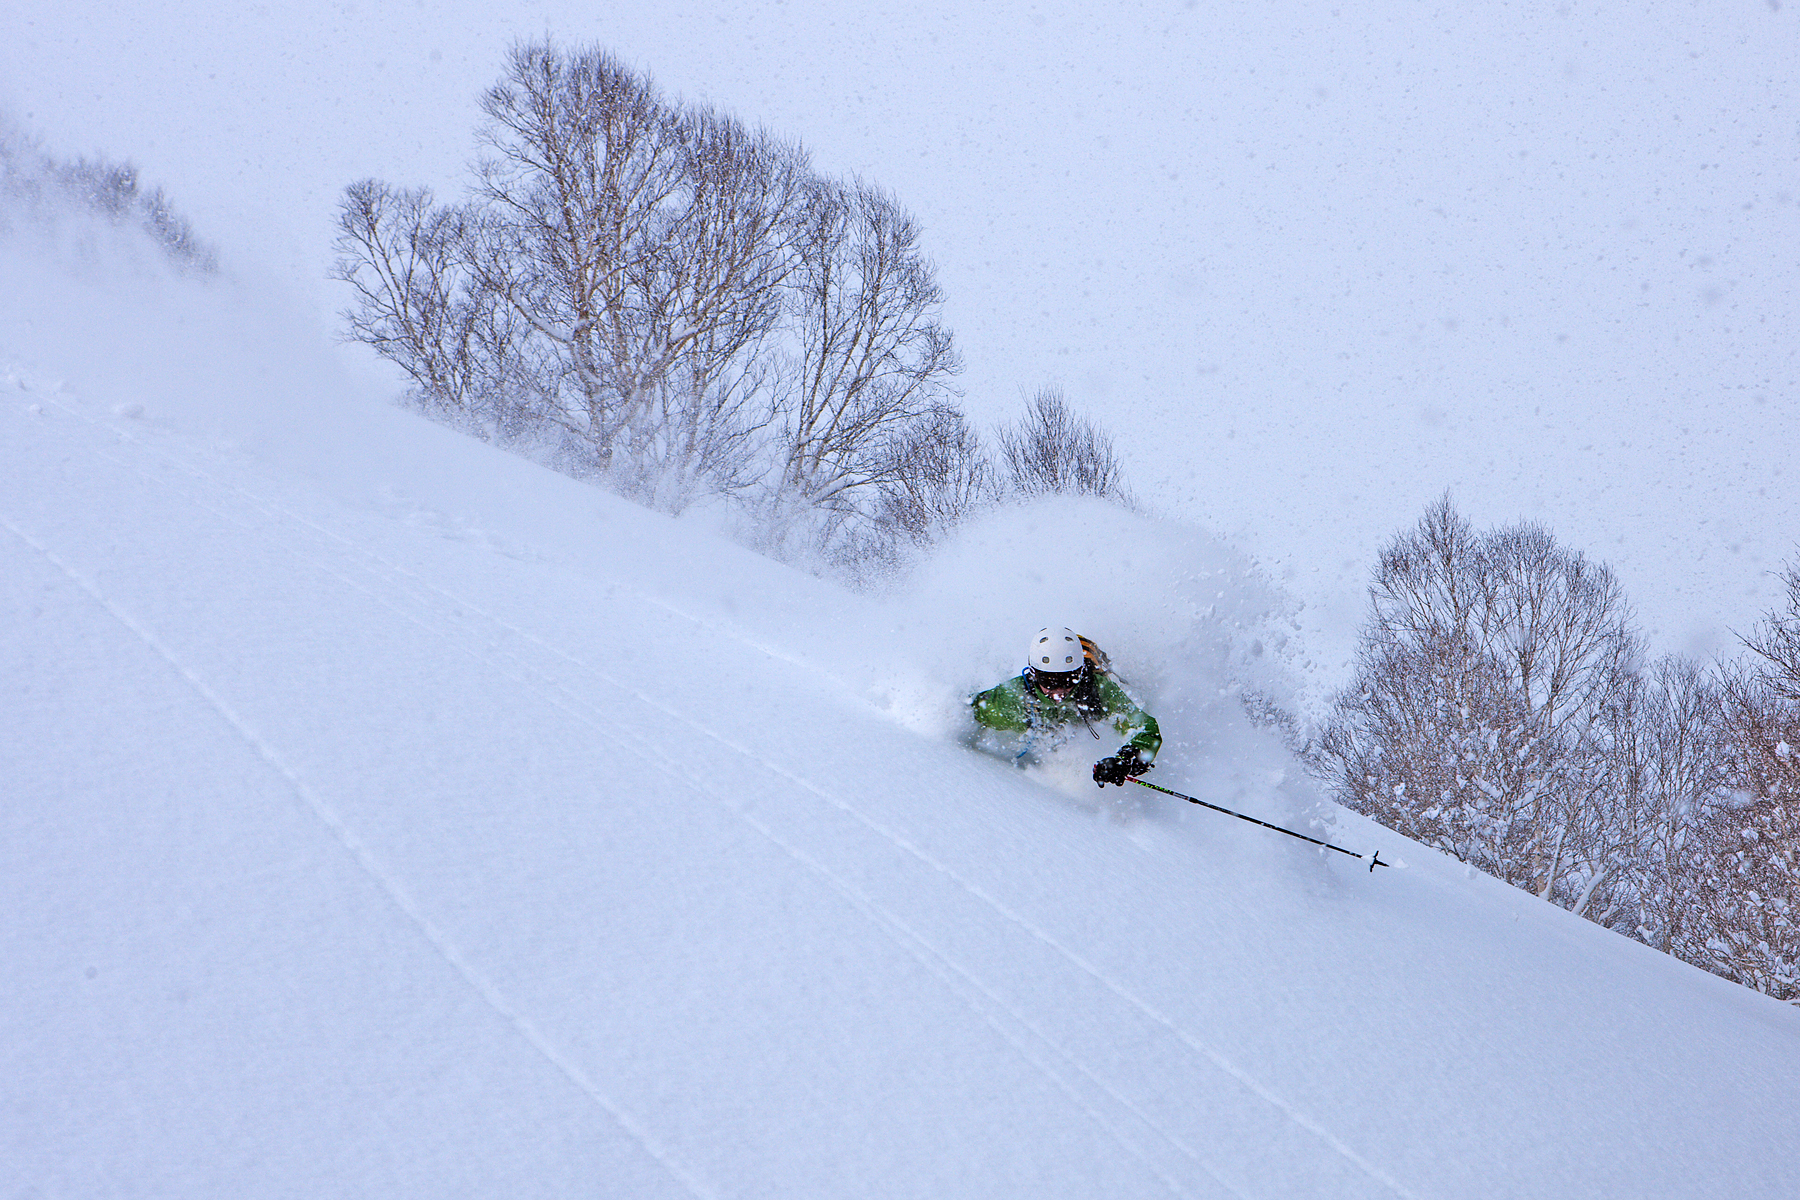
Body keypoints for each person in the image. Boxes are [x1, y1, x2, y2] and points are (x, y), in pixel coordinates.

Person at [971, 626, 1161, 787]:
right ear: (1034, 674)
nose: (1058, 692)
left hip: (1092, 667)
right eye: (1049, 681)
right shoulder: (1013, 698)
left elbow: (1145, 729)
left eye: (1068, 679)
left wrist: (1126, 761)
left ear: (1080, 673)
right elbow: (970, 710)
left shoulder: (1099, 689)